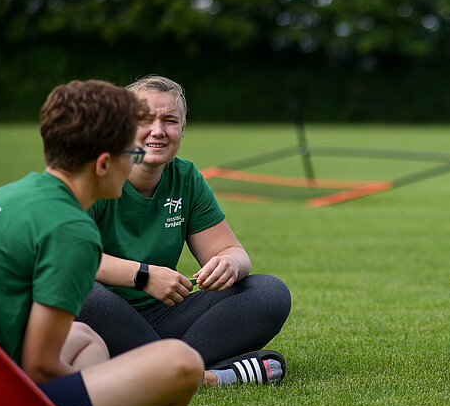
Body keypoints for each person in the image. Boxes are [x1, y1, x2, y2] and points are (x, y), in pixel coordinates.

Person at [0, 80, 217, 406]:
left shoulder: (12, 195)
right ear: (104, 164)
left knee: (85, 337)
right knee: (181, 363)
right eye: (129, 152)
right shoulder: (72, 229)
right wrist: (127, 396)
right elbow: (42, 370)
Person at [77, 75, 292, 386]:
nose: (158, 131)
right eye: (145, 120)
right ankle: (200, 375)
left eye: (170, 120)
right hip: (102, 319)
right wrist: (143, 275)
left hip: (163, 317)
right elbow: (66, 256)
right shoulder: (92, 175)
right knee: (78, 291)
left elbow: (232, 252)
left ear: (183, 129)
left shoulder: (186, 177)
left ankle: (165, 369)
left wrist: (229, 264)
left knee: (269, 292)